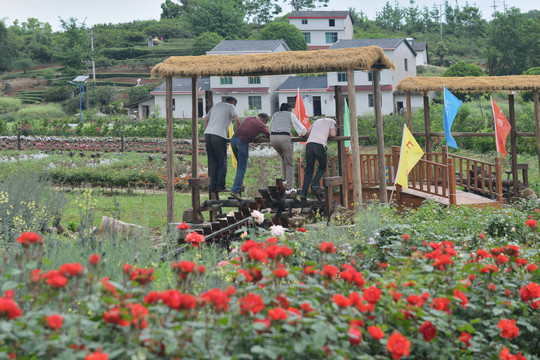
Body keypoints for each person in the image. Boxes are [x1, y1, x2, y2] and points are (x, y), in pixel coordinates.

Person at [229, 113, 270, 200]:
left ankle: (240, 183)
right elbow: (269, 134)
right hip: (242, 142)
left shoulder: (249, 118)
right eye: (266, 123)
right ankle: (235, 190)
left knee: (239, 165)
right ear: (264, 120)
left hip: (233, 140)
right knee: (241, 167)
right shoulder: (261, 124)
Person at [203, 97, 239, 194]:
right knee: (222, 161)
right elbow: (236, 119)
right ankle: (220, 186)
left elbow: (205, 119)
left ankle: (213, 186)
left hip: (208, 135)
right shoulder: (231, 106)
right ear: (233, 103)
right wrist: (238, 133)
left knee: (213, 161)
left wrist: (206, 131)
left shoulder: (216, 106)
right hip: (219, 135)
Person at [269, 103, 307, 194]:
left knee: (283, 158)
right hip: (284, 139)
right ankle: (289, 188)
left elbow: (270, 128)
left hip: (273, 138)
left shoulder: (275, 115)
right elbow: (301, 129)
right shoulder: (290, 114)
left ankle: (285, 179)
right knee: (290, 164)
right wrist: (304, 133)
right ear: (289, 109)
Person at [300, 117, 337, 201]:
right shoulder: (332, 121)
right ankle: (314, 185)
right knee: (322, 167)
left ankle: (303, 193)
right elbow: (332, 134)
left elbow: (307, 133)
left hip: (309, 145)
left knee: (309, 170)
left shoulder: (317, 121)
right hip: (320, 145)